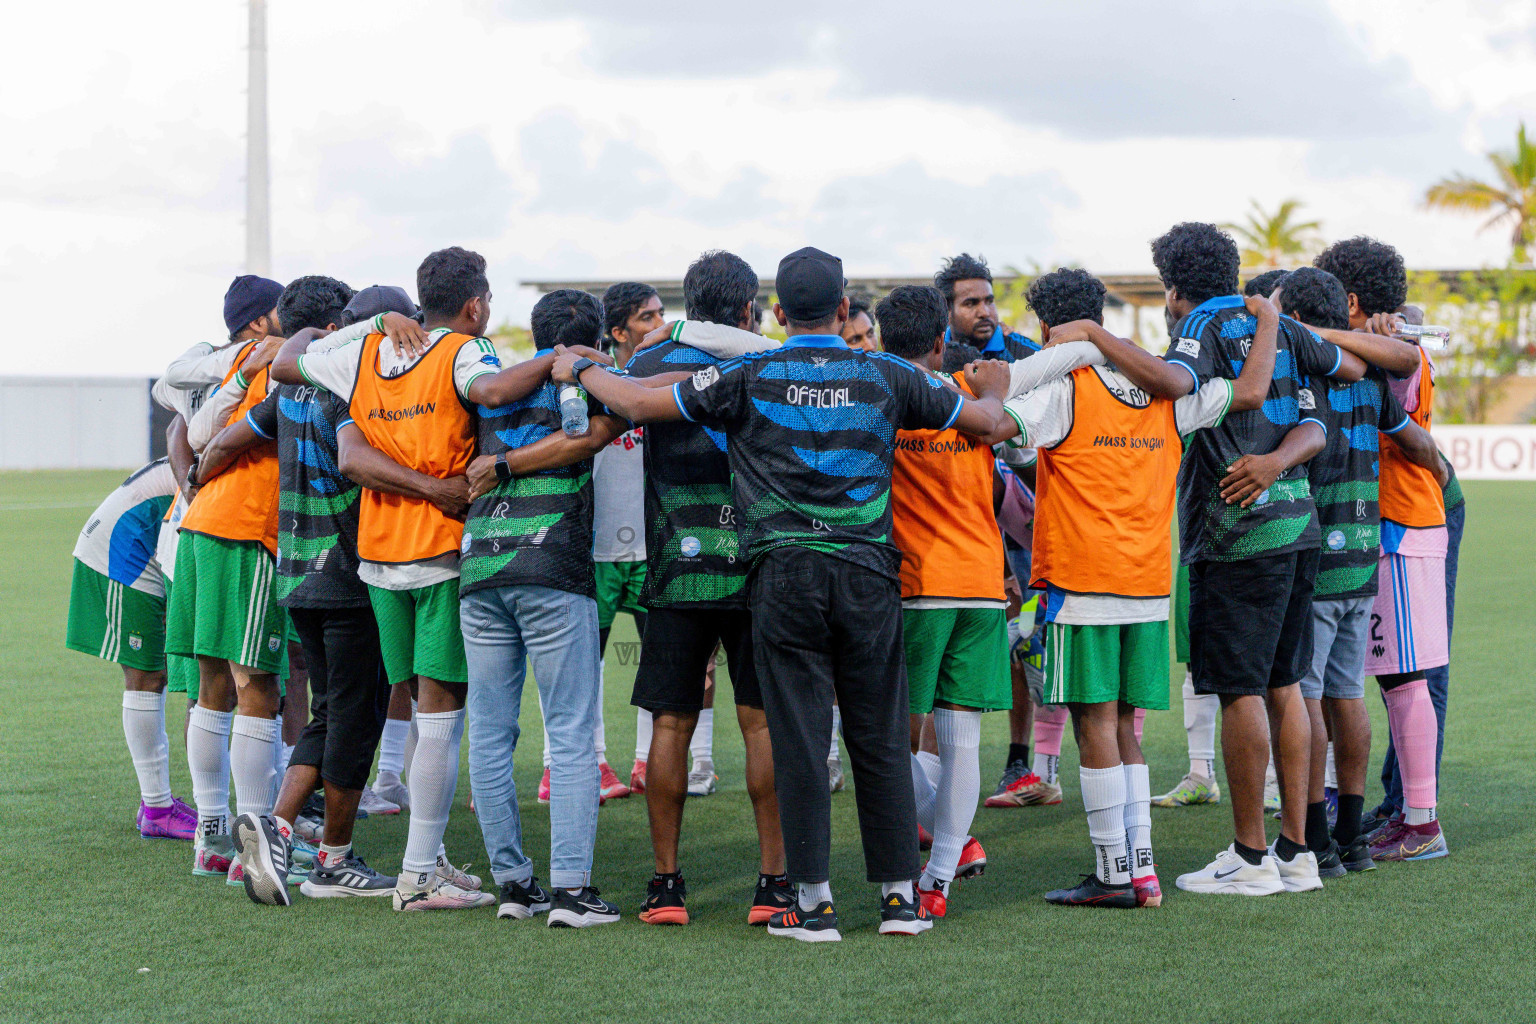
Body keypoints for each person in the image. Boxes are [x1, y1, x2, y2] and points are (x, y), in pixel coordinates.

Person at [552, 246, 1012, 942]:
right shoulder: (884, 371)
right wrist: (998, 386)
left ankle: (814, 906)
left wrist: (582, 367)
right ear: (843, 308)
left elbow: (641, 402)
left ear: (774, 312)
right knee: (880, 737)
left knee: (798, 740)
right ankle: (898, 901)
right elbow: (990, 424)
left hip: (782, 575)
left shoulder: (750, 372)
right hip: (867, 573)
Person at [270, 247, 593, 911]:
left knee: (416, 708)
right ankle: (419, 873)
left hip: (378, 559)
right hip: (442, 551)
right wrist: (562, 360)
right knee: (441, 717)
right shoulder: (459, 351)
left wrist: (375, 324)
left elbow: (282, 358)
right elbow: (497, 393)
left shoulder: (360, 354)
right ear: (474, 306)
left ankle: (429, 860)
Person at [1070, 222, 1374, 896]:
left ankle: (1249, 856)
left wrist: (1096, 335)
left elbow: (1173, 383)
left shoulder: (1204, 321)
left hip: (1238, 536)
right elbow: (1341, 385)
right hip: (1302, 530)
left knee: (1240, 689)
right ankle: (1296, 852)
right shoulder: (1274, 319)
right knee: (1285, 685)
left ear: (1173, 288)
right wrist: (1276, 457)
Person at [995, 268, 1281, 908]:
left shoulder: (1064, 390)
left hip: (1081, 579)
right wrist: (1267, 322)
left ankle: (1114, 874)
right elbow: (1255, 390)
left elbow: (993, 426)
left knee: (1094, 723)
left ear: (1048, 328)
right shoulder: (1167, 385)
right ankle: (1142, 869)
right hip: (1149, 582)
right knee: (1125, 724)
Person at [213, 278, 411, 903]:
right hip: (350, 575)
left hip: (297, 572)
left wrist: (194, 472)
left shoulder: (291, 388)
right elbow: (361, 464)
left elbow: (228, 436)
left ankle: (274, 828)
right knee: (355, 718)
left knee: (332, 712)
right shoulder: (349, 385)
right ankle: (330, 858)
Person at [620, 251, 791, 927]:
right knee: (761, 722)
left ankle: (666, 887)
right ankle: (773, 885)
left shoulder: (646, 364)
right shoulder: (773, 362)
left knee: (671, 721)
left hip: (675, 564)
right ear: (748, 308)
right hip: (757, 564)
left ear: (689, 303)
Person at [454, 289, 626, 927]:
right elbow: (588, 438)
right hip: (552, 566)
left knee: (493, 732)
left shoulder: (496, 379)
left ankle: (513, 886)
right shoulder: (592, 373)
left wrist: (496, 462)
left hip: (481, 563)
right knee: (572, 731)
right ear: (598, 339)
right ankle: (572, 892)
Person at [1275, 267, 1446, 875]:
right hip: (1362, 554)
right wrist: (1437, 460)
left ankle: (1319, 835)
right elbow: (1411, 429)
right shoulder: (1369, 376)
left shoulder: (1308, 374)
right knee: (1351, 694)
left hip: (1328, 552)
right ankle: (1351, 832)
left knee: (1329, 693)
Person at [878, 284, 1011, 918]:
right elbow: (1007, 425)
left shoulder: (878, 394)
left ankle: (918, 867)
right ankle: (941, 877)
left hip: (915, 587)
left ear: (879, 339)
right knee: (960, 739)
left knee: (883, 735)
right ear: (939, 341)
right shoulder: (974, 395)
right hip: (980, 586)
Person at [154, 274, 283, 878]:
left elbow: (174, 408)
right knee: (256, 682)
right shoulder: (275, 363)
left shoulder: (209, 369)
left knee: (213, 684)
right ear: (259, 322)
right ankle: (255, 849)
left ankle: (211, 835)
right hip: (246, 527)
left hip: (197, 528)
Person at [1155, 268, 1294, 810]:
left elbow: (1249, 392)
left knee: (1262, 680)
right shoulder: (1238, 335)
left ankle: (1261, 832)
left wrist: (1099, 339)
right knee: (1208, 659)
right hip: (1217, 532)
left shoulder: (1216, 335)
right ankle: (1203, 773)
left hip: (1236, 533)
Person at [64, 460, 191, 839]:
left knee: (154, 674)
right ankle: (156, 807)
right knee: (147, 676)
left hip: (142, 540)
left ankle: (158, 802)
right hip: (123, 546)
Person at [934, 253, 1039, 362]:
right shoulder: (931, 351)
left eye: (989, 301)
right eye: (970, 303)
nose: (984, 312)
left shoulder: (1030, 357)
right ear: (947, 311)